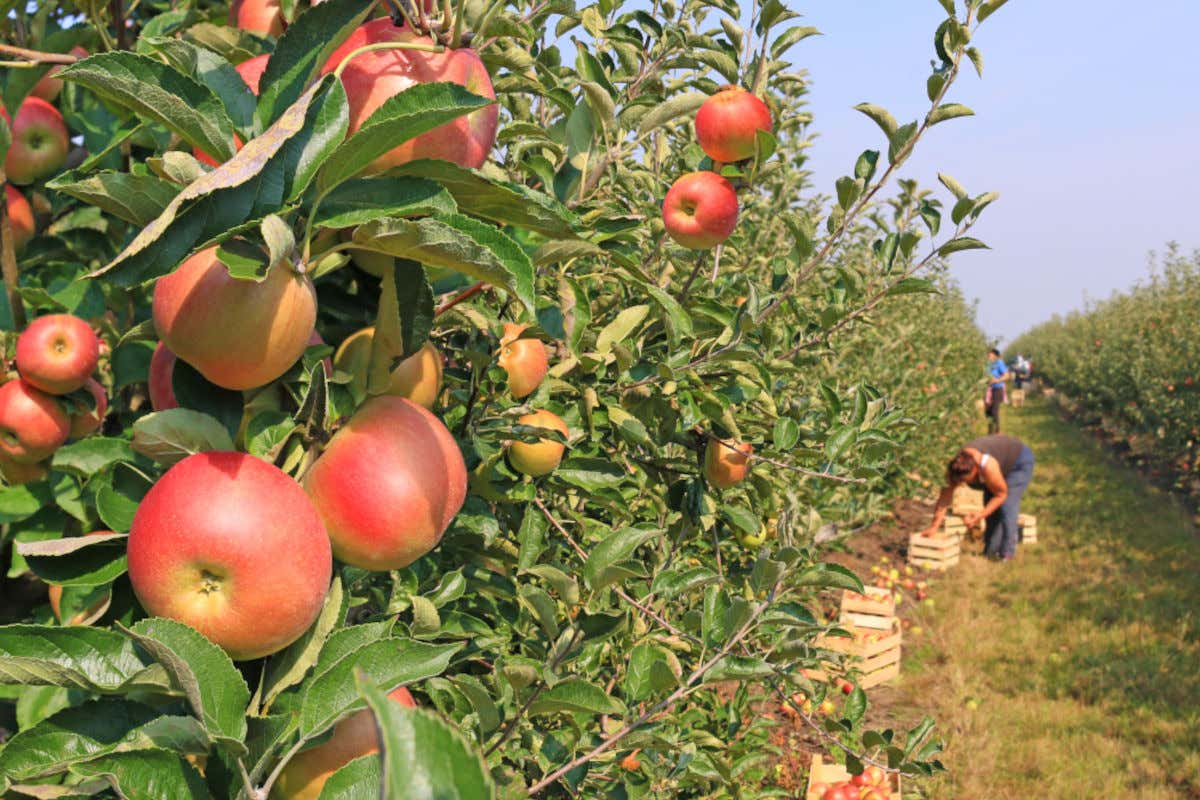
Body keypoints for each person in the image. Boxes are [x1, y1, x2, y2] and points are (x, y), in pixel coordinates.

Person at [920, 434, 1035, 561]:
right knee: (990, 508)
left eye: (970, 479)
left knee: (1007, 505)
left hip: (1018, 462)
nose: (966, 483)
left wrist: (979, 515)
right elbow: (944, 499)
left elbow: (1001, 495)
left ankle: (1007, 553)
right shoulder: (955, 467)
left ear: (976, 468)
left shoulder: (988, 466)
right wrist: (934, 527)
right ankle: (991, 552)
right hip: (998, 464)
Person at [984, 348, 1009, 433]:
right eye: (988, 354)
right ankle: (990, 431)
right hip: (987, 389)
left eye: (990, 354)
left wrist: (997, 380)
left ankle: (997, 431)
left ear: (995, 355)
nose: (988, 356)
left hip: (997, 388)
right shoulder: (987, 364)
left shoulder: (999, 363)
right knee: (988, 411)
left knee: (994, 411)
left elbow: (1007, 376)